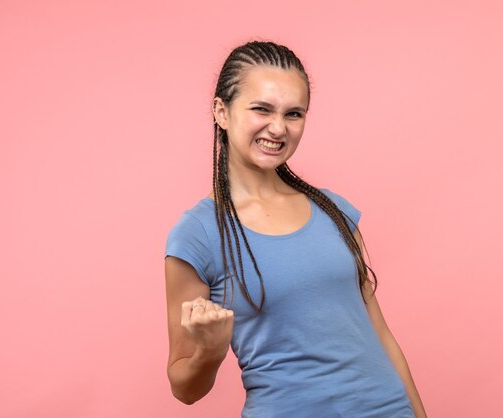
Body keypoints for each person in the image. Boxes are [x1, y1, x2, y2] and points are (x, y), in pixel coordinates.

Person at [164, 40, 427, 418]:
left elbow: (381, 336)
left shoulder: (333, 210)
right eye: (261, 109)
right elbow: (184, 388)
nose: (278, 128)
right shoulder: (199, 234)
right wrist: (209, 350)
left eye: (294, 114)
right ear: (221, 111)